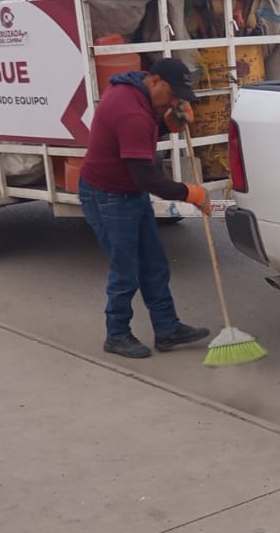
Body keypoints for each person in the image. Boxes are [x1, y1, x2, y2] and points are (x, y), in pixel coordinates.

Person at [77, 58, 213, 359]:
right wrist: (190, 192)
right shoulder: (130, 111)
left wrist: (169, 122)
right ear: (154, 81)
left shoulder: (137, 93)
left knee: (154, 263)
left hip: (128, 191)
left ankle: (167, 329)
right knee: (127, 270)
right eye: (174, 94)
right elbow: (147, 176)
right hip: (107, 196)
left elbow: (148, 125)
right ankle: (117, 334)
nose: (176, 100)